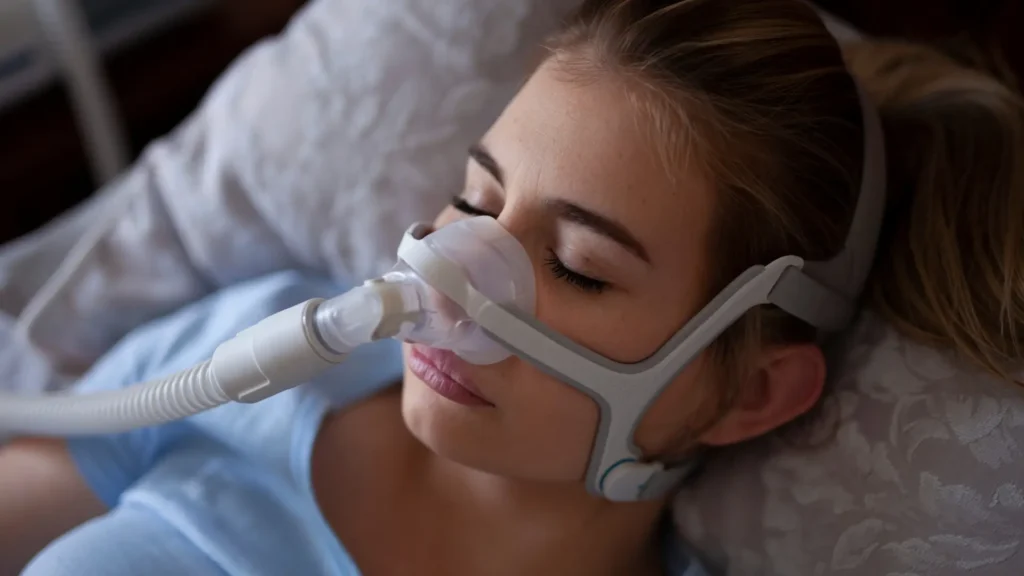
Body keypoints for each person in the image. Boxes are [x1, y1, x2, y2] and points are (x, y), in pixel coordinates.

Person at [2, 0, 1022, 574]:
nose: (453, 270)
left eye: (577, 267)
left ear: (752, 391)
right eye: (475, 201)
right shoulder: (254, 353)